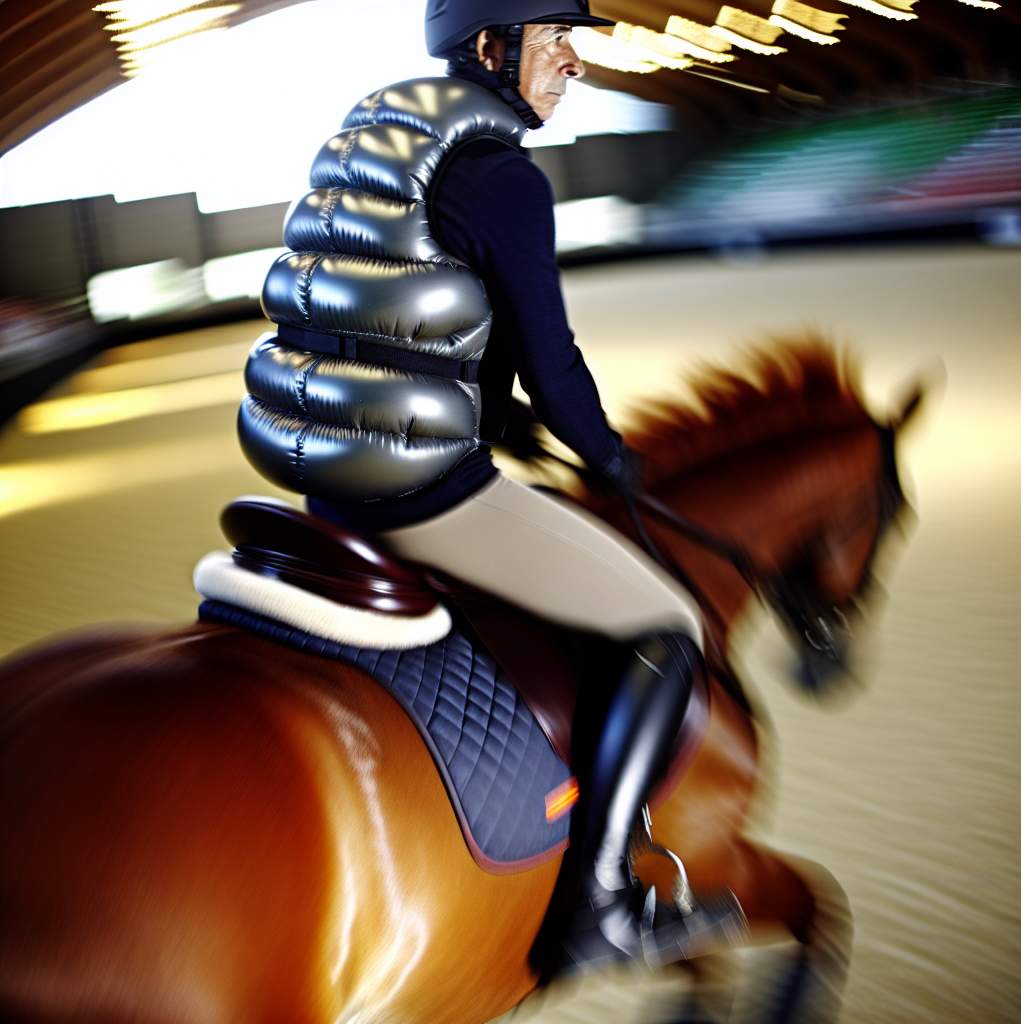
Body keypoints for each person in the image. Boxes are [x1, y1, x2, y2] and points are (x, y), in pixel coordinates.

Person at [239, 0, 743, 970]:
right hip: (422, 494)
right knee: (668, 628)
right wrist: (610, 458)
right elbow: (551, 364)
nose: (574, 67)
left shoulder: (383, 144)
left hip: (324, 486)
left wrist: (494, 412)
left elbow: (401, 321)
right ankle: (599, 904)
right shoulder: (503, 176)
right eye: (556, 44)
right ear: (489, 47)